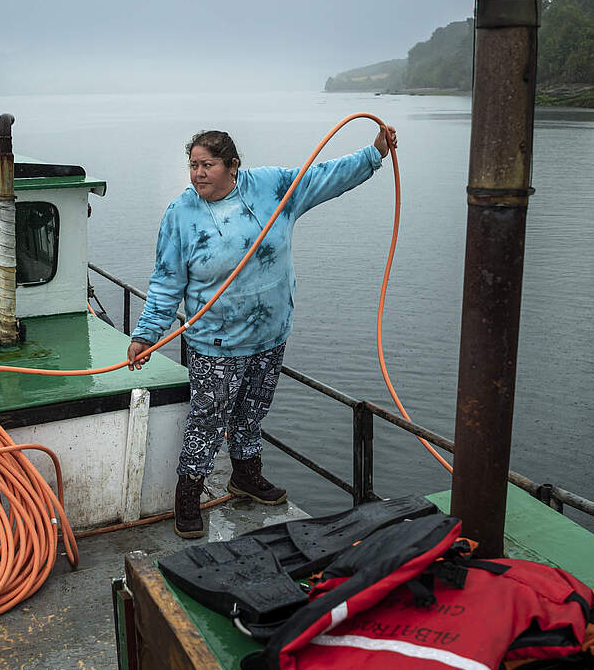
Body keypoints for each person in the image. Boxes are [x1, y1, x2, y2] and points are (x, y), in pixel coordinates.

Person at [127, 125, 397, 538]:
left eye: (208, 165)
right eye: (194, 165)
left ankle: (246, 476)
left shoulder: (271, 189)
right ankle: (188, 497)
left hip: (270, 335)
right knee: (206, 420)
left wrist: (373, 153)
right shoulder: (180, 214)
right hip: (216, 343)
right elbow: (166, 281)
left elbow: (323, 176)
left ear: (233, 165)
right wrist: (147, 335)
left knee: (253, 411)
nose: (198, 174)